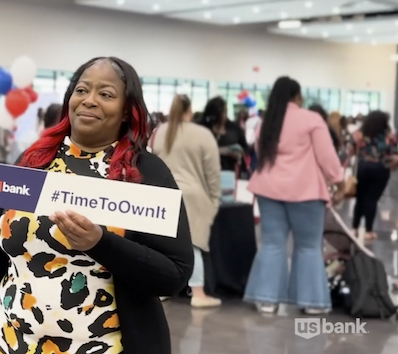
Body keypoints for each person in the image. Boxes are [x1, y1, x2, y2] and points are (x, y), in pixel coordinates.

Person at [0, 57, 193, 354]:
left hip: (98, 346)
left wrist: (100, 243)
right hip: (6, 341)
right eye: (82, 90)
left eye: (105, 94)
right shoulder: (34, 162)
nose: (89, 101)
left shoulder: (144, 174)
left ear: (127, 112)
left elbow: (175, 274)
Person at [244, 76, 344, 315]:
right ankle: (310, 302)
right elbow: (326, 156)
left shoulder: (266, 121)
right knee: (308, 246)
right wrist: (338, 181)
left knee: (272, 244)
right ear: (298, 96)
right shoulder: (311, 119)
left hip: (268, 189)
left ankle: (266, 300)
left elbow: (260, 152)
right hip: (306, 191)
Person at [151, 94, 221, 308]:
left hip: (165, 192)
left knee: (164, 245)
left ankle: (160, 289)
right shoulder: (202, 135)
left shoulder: (161, 132)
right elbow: (213, 173)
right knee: (194, 245)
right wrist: (214, 200)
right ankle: (198, 293)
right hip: (194, 196)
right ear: (189, 111)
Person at [350, 110, 398, 240]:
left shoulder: (359, 134)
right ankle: (368, 230)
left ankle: (354, 228)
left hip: (363, 168)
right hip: (381, 169)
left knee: (360, 198)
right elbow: (394, 153)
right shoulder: (389, 136)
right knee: (371, 199)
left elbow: (350, 149)